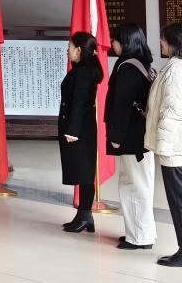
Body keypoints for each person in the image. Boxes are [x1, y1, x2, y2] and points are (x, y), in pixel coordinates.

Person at [145, 22, 182, 269]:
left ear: (175, 42)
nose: (161, 43)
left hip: (175, 144)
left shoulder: (177, 71)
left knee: (180, 200)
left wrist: (164, 146)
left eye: (164, 39)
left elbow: (171, 112)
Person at [105, 22, 157, 250]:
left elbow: (122, 105)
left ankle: (139, 237)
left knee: (133, 185)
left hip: (131, 136)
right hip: (141, 135)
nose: (112, 44)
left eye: (115, 39)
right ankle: (141, 234)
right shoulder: (143, 64)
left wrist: (116, 135)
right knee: (141, 184)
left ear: (125, 42)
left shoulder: (127, 67)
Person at [58, 31, 102, 234]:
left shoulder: (84, 72)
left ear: (78, 50)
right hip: (81, 127)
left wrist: (72, 130)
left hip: (80, 129)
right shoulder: (82, 69)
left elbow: (79, 103)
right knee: (83, 171)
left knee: (84, 172)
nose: (67, 50)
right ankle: (85, 215)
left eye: (70, 46)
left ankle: (85, 215)